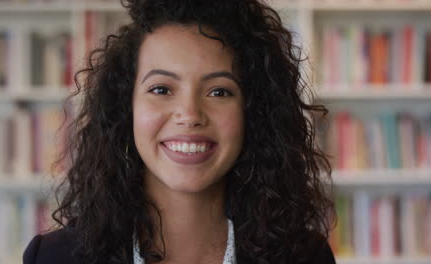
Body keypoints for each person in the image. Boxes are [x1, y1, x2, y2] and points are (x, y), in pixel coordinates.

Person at [23, 0, 336, 263]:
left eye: (219, 92)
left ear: (253, 113)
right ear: (126, 108)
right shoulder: (52, 257)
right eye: (161, 89)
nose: (189, 115)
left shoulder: (306, 256)